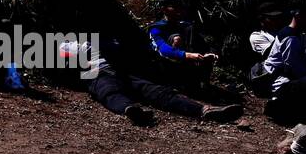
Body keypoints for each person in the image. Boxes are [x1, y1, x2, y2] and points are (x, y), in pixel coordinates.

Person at [62, 40, 241, 126]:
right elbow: (64, 65)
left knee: (158, 92)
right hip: (96, 74)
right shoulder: (64, 44)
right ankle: (130, 110)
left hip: (121, 72)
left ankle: (203, 110)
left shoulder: (101, 39)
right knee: (108, 92)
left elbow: (121, 51)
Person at [260, 6, 306, 124]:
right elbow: (295, 70)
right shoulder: (290, 38)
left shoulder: (299, 34)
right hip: (282, 85)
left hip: (291, 78)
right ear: (299, 16)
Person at [147, 0, 218, 88]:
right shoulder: (155, 28)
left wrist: (210, 53)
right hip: (166, 66)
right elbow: (163, 49)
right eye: (174, 6)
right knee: (176, 38)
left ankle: (200, 83)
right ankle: (176, 83)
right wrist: (187, 55)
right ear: (164, 9)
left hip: (189, 65)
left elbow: (204, 42)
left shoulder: (187, 25)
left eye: (179, 6)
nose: (178, 9)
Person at [246, 2, 289, 96]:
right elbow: (269, 55)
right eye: (272, 18)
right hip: (270, 77)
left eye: (277, 17)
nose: (276, 21)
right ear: (261, 19)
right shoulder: (257, 36)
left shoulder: (279, 32)